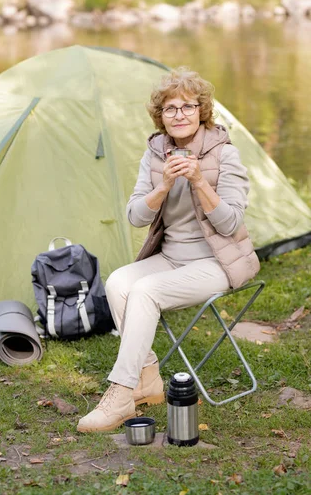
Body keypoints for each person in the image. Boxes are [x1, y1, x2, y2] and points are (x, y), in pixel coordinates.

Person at [77, 67, 260, 433]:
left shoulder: (225, 155)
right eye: (170, 108)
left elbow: (230, 224)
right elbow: (134, 216)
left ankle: (120, 393)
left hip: (216, 262)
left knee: (146, 291)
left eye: (187, 107)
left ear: (201, 111)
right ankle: (146, 379)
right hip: (172, 257)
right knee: (117, 282)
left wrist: (197, 181)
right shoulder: (155, 154)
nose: (179, 115)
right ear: (160, 116)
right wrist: (162, 186)